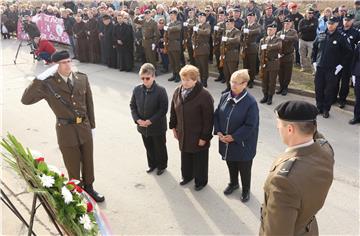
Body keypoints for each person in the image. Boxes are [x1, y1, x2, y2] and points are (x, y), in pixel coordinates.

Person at [21, 50, 105, 202]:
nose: (68, 65)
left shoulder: (81, 78)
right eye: (63, 63)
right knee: (72, 164)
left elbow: (89, 104)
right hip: (66, 130)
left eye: (69, 61)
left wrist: (92, 126)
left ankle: (90, 188)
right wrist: (39, 79)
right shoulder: (48, 84)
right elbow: (26, 100)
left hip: (84, 126)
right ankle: (77, 192)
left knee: (88, 160)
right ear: (55, 65)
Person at [259, 100, 334, 235]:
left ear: (290, 129)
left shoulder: (283, 181)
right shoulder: (326, 150)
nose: (277, 128)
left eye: (279, 125)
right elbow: (317, 136)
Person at [214, 69, 259, 202]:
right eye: (232, 81)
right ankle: (233, 183)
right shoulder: (224, 96)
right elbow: (217, 115)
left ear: (245, 84)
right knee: (230, 162)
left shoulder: (251, 103)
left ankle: (246, 190)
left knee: (244, 168)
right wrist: (218, 131)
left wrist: (234, 137)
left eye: (237, 83)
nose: (233, 85)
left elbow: (250, 126)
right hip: (225, 140)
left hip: (243, 143)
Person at [169, 65, 214, 191]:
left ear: (195, 80)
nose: (185, 82)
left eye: (188, 80)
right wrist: (173, 128)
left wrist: (204, 137)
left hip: (198, 135)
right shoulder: (178, 91)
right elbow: (173, 110)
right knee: (185, 156)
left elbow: (208, 119)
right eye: (183, 79)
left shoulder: (204, 95)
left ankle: (201, 181)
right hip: (183, 132)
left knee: (200, 159)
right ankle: (187, 176)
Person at [130, 63, 169, 175]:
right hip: (142, 126)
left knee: (159, 147)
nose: (145, 81)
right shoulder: (137, 89)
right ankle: (152, 164)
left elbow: (163, 109)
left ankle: (162, 165)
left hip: (157, 126)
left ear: (153, 77)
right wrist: (137, 120)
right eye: (142, 78)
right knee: (148, 146)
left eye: (147, 78)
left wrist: (150, 121)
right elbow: (132, 106)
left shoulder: (161, 91)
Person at [312, 16, 352, 118]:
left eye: (332, 24)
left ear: (337, 24)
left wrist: (341, 65)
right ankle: (319, 107)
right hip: (320, 67)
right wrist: (314, 61)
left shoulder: (341, 37)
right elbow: (315, 48)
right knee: (318, 88)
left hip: (332, 69)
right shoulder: (321, 35)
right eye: (329, 23)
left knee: (329, 90)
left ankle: (326, 109)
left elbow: (348, 53)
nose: (330, 25)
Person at [337, 13, 360, 108]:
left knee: (345, 82)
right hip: (337, 60)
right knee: (334, 80)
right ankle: (333, 97)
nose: (346, 21)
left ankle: (342, 100)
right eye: (345, 19)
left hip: (348, 61)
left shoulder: (356, 33)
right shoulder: (338, 30)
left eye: (349, 20)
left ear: (352, 21)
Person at [259, 22, 282, 105]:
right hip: (264, 63)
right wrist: (261, 62)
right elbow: (260, 53)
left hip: (273, 63)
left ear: (275, 30)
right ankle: (265, 95)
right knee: (264, 80)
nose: (269, 31)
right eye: (268, 29)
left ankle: (270, 97)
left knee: (272, 81)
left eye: (271, 30)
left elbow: (278, 46)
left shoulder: (278, 39)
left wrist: (268, 46)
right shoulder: (263, 39)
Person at [276, 17, 298, 96]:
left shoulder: (293, 32)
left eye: (288, 24)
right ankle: (281, 87)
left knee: (287, 73)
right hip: (280, 55)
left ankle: (285, 87)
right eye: (285, 24)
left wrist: (285, 37)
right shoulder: (279, 32)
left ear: (291, 24)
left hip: (288, 55)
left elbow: (295, 38)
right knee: (280, 72)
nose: (286, 25)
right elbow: (276, 40)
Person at [240, 12, 261, 88]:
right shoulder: (244, 26)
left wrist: (249, 31)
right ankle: (246, 80)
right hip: (245, 48)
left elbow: (258, 31)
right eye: (249, 17)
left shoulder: (257, 25)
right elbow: (241, 37)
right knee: (245, 65)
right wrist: (242, 45)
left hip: (252, 47)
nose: (250, 18)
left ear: (254, 18)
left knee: (252, 65)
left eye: (252, 17)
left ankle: (251, 80)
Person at [221, 17, 241, 93]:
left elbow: (237, 40)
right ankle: (228, 87)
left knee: (232, 73)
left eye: (228, 24)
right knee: (226, 73)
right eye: (226, 24)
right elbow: (222, 43)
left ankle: (234, 89)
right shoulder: (225, 31)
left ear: (233, 24)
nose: (227, 25)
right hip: (225, 54)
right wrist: (221, 53)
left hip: (232, 54)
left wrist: (227, 39)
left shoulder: (237, 31)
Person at [192, 11, 211, 87]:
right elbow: (193, 36)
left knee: (204, 66)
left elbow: (207, 32)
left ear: (205, 18)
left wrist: (198, 30)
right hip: (197, 48)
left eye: (202, 17)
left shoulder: (207, 25)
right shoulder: (197, 25)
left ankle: (204, 81)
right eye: (199, 17)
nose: (200, 18)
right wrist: (193, 44)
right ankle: (201, 80)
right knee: (199, 66)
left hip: (204, 48)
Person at [298, 8, 318, 73]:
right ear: (306, 13)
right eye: (309, 13)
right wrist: (309, 26)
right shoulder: (302, 20)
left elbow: (314, 28)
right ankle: (304, 67)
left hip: (311, 41)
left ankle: (313, 69)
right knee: (302, 55)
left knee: (311, 56)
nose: (310, 14)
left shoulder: (315, 20)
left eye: (312, 13)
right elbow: (300, 29)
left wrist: (306, 27)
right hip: (302, 40)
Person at [166, 8, 182, 82]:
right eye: (170, 15)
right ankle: (174, 74)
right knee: (172, 61)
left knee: (176, 61)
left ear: (175, 15)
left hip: (175, 44)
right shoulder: (169, 23)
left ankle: (178, 76)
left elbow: (178, 28)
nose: (171, 16)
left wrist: (169, 28)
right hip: (169, 44)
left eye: (172, 15)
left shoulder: (178, 22)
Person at [349, 41, 360, 124]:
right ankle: (357, 116)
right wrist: (353, 73)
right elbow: (354, 58)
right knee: (358, 96)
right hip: (358, 73)